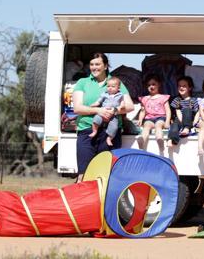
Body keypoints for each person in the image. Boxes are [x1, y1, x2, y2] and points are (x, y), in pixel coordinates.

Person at [72, 52, 134, 182]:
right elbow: (77, 108)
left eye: (97, 64)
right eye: (92, 64)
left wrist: (115, 111)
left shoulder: (116, 83)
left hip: (109, 133)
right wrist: (99, 110)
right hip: (87, 131)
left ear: (105, 66)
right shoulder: (82, 83)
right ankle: (81, 200)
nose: (94, 67)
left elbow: (129, 106)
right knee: (83, 174)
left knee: (108, 175)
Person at [137, 73, 171, 155]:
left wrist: (167, 121)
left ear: (158, 85)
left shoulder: (163, 97)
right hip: (149, 118)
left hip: (161, 117)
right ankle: (142, 141)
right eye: (149, 85)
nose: (151, 86)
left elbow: (168, 111)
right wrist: (140, 119)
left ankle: (160, 140)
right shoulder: (145, 99)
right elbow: (143, 111)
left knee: (158, 125)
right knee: (146, 126)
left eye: (153, 84)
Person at [89, 77, 125, 147]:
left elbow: (122, 103)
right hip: (103, 111)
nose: (110, 88)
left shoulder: (120, 95)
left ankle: (109, 138)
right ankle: (94, 131)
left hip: (114, 115)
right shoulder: (104, 94)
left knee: (114, 127)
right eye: (108, 86)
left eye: (113, 86)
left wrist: (120, 107)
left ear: (118, 87)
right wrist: (93, 105)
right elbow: (98, 102)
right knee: (96, 119)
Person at [168, 76, 200, 146]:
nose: (181, 88)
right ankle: (172, 140)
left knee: (187, 110)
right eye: (179, 86)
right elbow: (178, 111)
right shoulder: (177, 100)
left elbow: (198, 112)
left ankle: (186, 128)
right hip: (180, 119)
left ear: (190, 88)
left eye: (184, 86)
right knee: (174, 126)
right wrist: (182, 122)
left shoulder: (193, 100)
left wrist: (194, 122)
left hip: (189, 120)